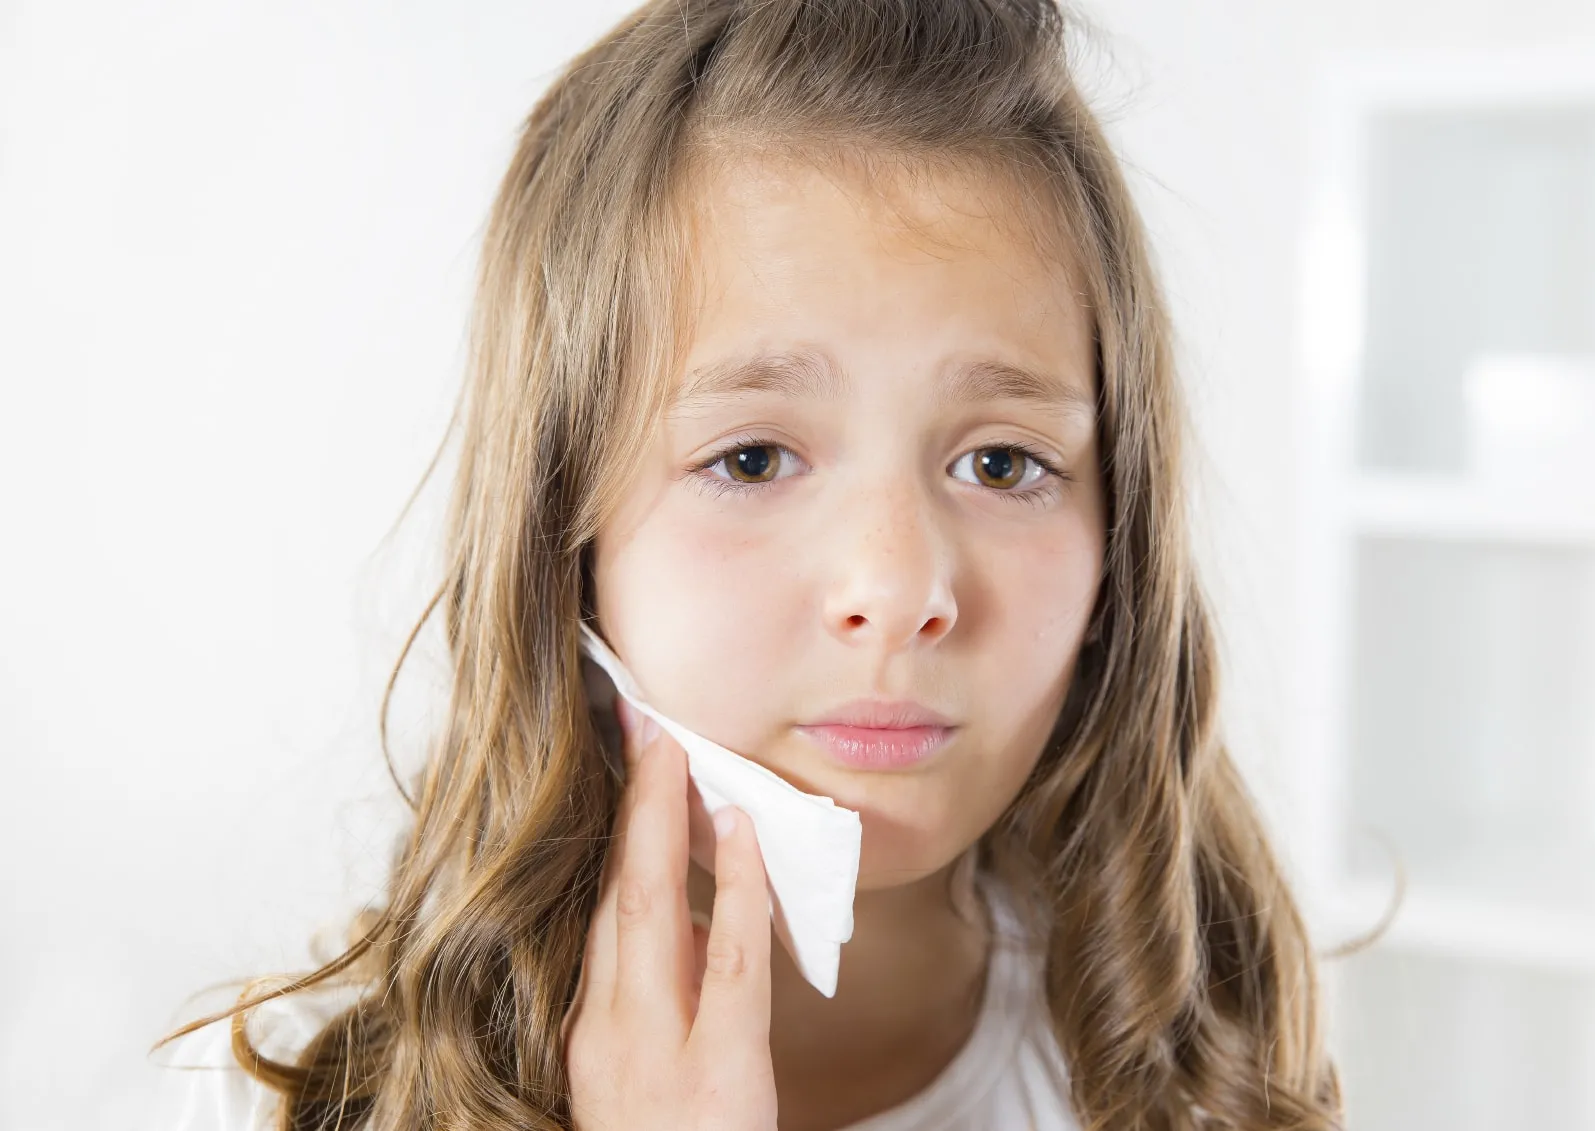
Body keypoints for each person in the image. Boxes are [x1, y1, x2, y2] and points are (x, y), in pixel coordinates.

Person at [147, 0, 1345, 1128]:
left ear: (1118, 543)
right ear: (567, 544)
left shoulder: (1206, 1060)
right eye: (756, 457)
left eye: (999, 465)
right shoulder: (280, 1093)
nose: (897, 592)